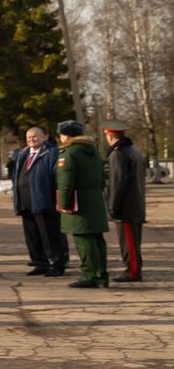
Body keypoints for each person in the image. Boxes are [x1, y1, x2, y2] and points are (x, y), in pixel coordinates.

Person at [55, 120, 109, 289]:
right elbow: (102, 178)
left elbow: (65, 183)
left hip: (78, 203)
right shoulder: (93, 151)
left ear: (65, 136)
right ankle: (101, 275)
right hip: (95, 201)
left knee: (83, 240)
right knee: (97, 239)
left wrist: (64, 204)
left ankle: (89, 275)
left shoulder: (68, 153)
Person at [9, 126, 69, 276]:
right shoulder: (22, 154)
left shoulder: (52, 153)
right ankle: (39, 262)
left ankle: (57, 263)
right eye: (29, 137)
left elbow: (57, 177)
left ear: (45, 137)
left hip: (44, 201)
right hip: (25, 202)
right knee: (32, 235)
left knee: (50, 235)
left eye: (35, 136)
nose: (31, 139)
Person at [105, 125, 147, 283]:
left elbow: (117, 182)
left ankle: (132, 271)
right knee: (133, 240)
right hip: (135, 203)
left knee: (128, 241)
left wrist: (112, 205)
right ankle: (133, 268)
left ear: (110, 136)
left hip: (126, 206)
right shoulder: (134, 150)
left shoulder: (118, 154)